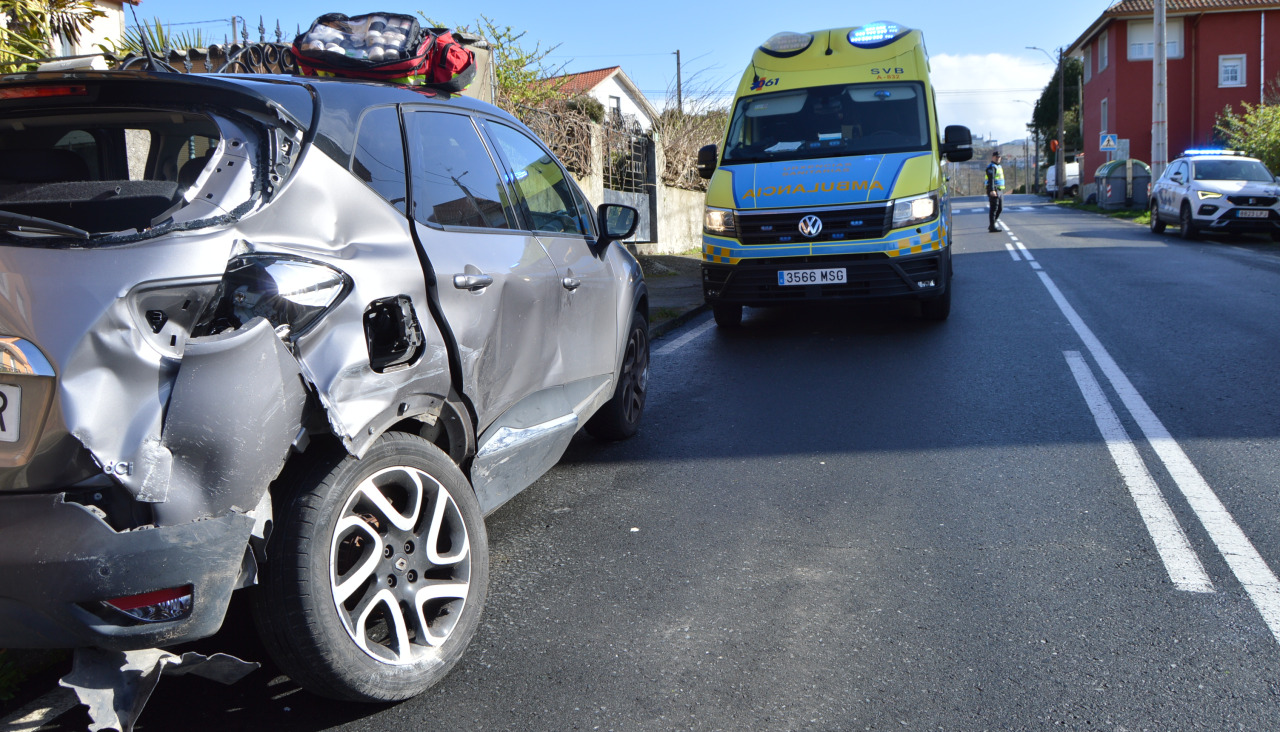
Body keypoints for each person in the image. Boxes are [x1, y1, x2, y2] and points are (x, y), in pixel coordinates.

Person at [986, 150, 1005, 232]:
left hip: (1000, 190)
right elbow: (991, 179)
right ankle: (992, 226)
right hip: (994, 190)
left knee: (1000, 208)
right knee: (994, 208)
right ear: (993, 157)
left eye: (999, 157)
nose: (998, 158)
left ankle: (992, 225)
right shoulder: (991, 167)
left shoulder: (998, 166)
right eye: (996, 157)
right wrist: (992, 190)